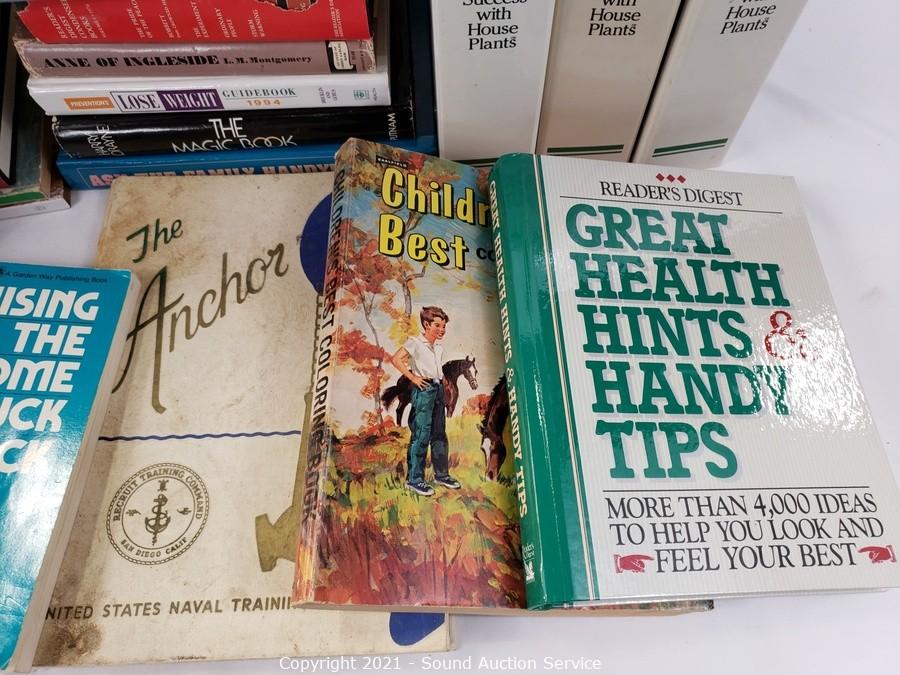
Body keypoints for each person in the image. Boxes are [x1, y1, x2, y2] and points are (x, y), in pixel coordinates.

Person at [389, 306, 462, 496]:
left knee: (439, 434)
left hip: (438, 389)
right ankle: (414, 480)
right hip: (424, 391)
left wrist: (441, 382)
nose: (442, 330)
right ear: (426, 324)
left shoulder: (438, 347)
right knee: (421, 434)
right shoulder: (415, 342)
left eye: (443, 326)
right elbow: (396, 359)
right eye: (437, 325)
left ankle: (442, 475)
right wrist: (413, 378)